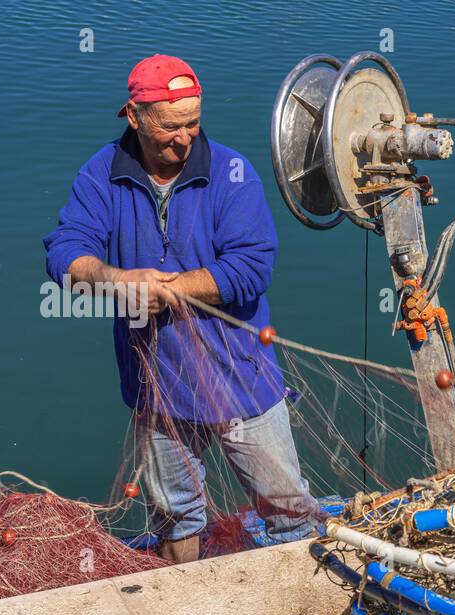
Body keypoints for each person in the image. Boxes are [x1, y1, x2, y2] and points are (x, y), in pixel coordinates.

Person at [44, 54, 318, 563]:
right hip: (159, 385)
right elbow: (63, 251)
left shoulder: (233, 173)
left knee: (288, 509)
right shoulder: (102, 173)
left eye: (194, 123)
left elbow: (252, 267)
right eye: (171, 126)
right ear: (134, 116)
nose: (185, 137)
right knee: (174, 516)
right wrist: (116, 279)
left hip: (242, 377)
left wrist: (171, 288)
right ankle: (182, 612)